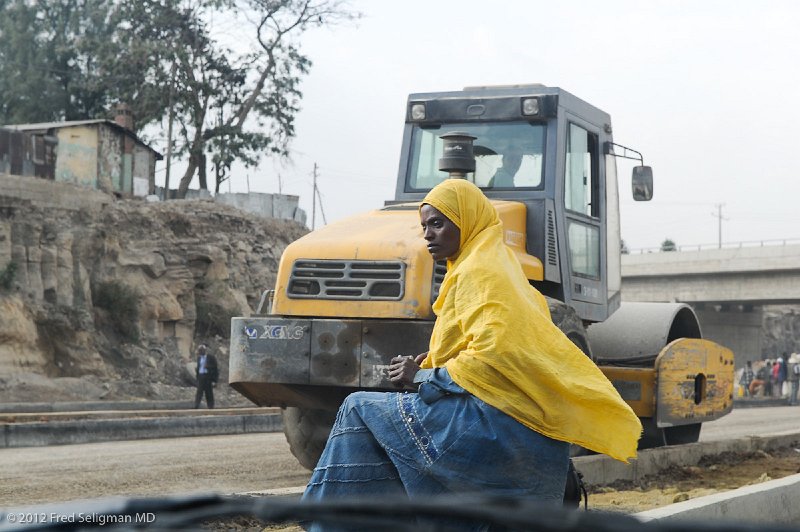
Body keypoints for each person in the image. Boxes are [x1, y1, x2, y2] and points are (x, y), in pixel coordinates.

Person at [302, 179, 641, 530]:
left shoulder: (478, 272)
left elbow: (492, 356)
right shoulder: (498, 266)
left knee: (357, 408)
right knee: (383, 424)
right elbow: (491, 344)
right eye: (424, 227)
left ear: (467, 221)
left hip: (496, 424)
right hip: (521, 421)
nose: (428, 235)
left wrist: (420, 378)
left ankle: (327, 523)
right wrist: (435, 363)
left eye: (438, 223)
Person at [194, 344, 218, 409]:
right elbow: (198, 368)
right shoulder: (199, 358)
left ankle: (210, 406)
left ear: (204, 351)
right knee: (199, 392)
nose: (200, 352)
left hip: (208, 376)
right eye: (199, 351)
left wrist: (215, 380)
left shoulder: (211, 358)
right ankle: (196, 405)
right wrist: (197, 377)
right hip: (201, 376)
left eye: (201, 351)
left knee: (209, 392)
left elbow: (215, 368)